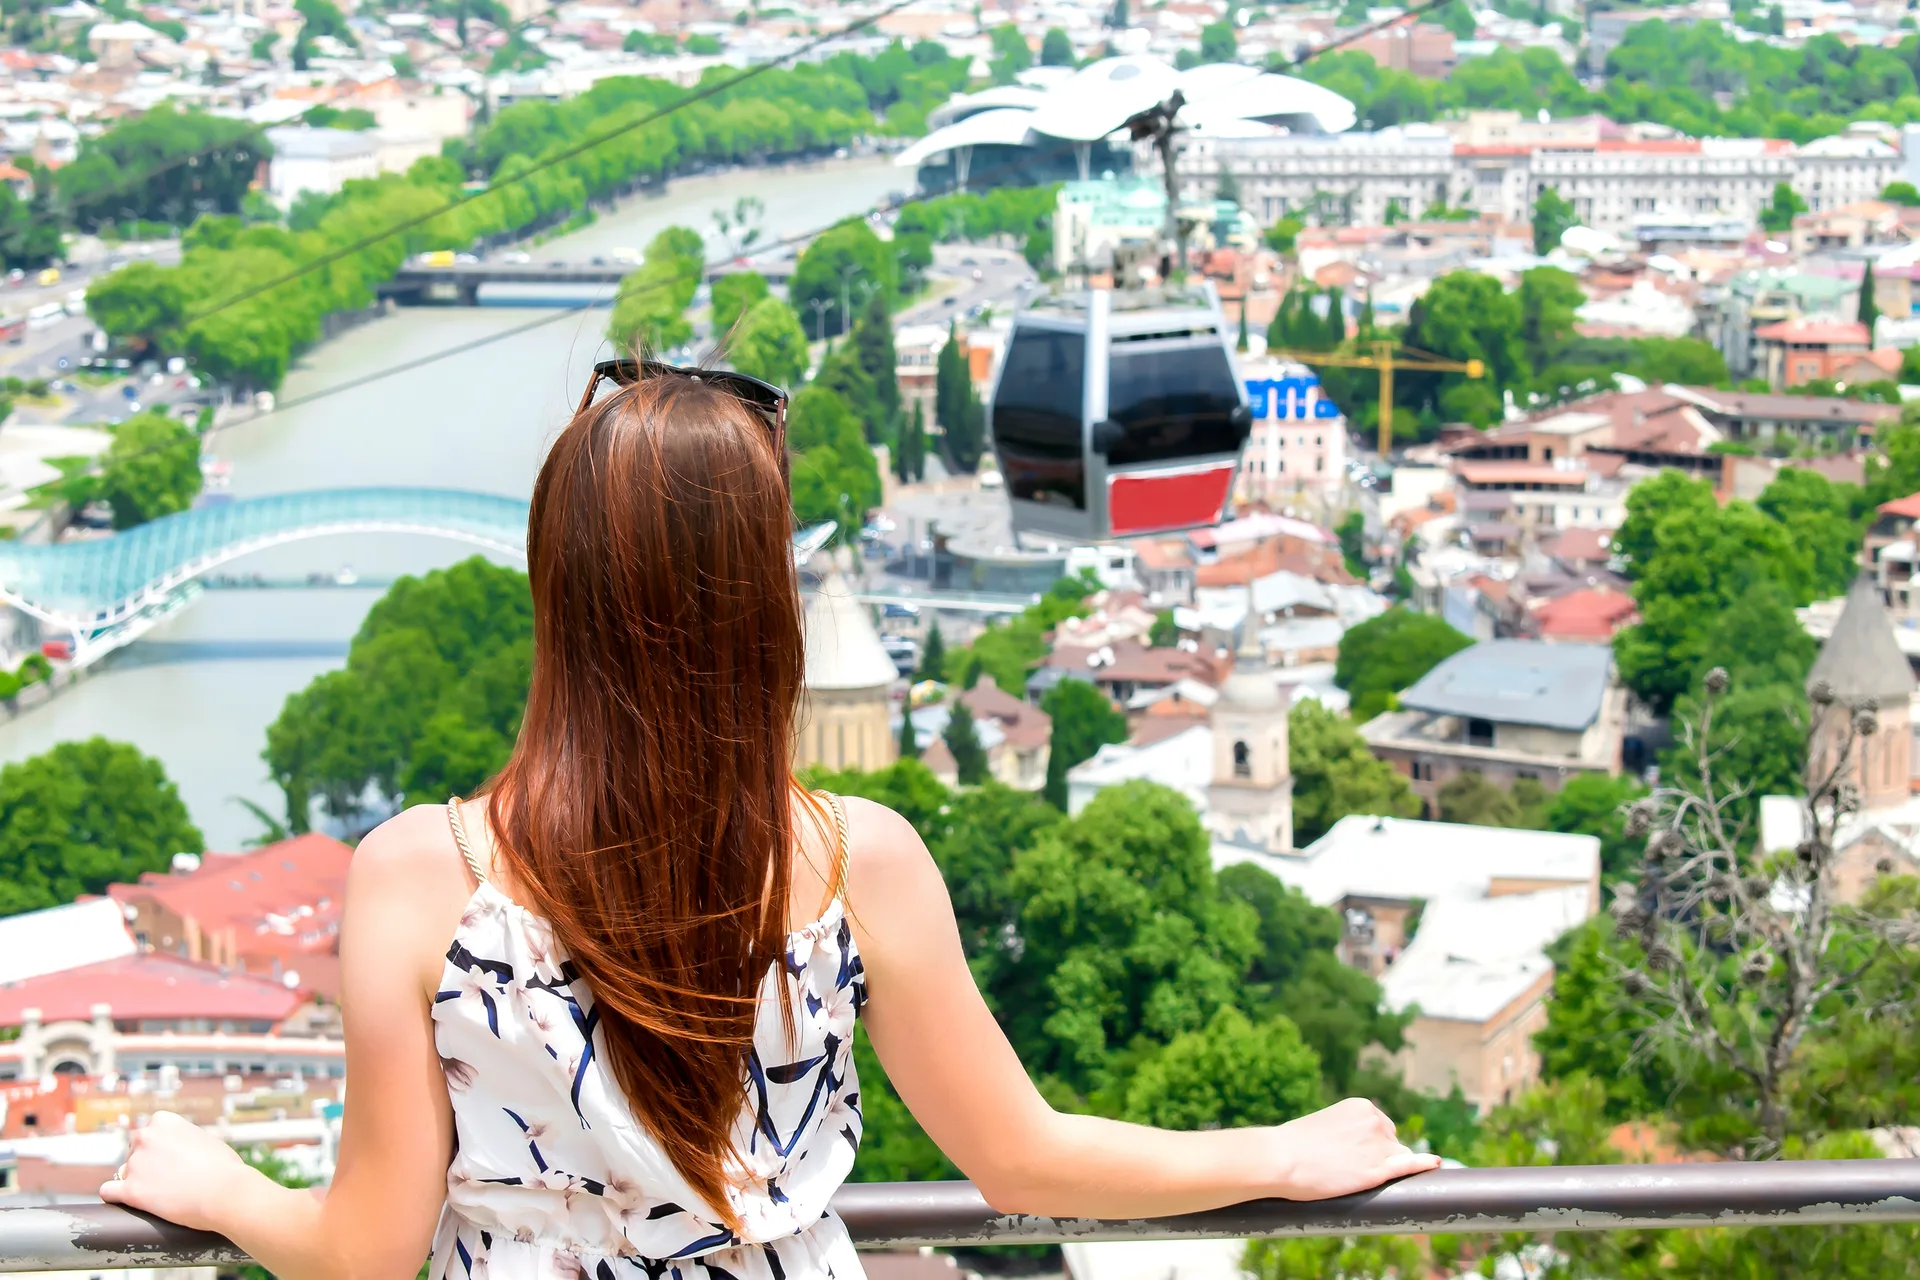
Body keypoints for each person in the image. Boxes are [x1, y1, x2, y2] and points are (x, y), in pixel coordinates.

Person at [101, 362, 1439, 1280]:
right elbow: (1026, 1156)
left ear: (555, 584)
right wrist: (1279, 1150)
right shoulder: (861, 863)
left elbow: (367, 1255)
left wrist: (214, 1187)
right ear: (762, 602)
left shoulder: (419, 878)